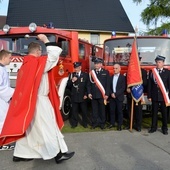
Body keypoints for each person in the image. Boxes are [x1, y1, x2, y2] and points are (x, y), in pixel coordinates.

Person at [0, 34, 74, 163]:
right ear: (38, 51)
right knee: (49, 127)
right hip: (39, 100)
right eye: (41, 50)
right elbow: (53, 57)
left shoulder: (25, 64)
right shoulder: (36, 63)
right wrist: (46, 40)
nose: (42, 53)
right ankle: (58, 154)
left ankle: (20, 154)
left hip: (31, 100)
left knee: (30, 128)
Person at [148, 55, 170, 135]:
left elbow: (169, 85)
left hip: (164, 96)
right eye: (157, 62)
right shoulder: (152, 72)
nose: (157, 64)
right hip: (154, 95)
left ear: (163, 63)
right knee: (154, 112)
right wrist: (149, 96)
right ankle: (153, 127)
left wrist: (168, 97)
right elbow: (150, 85)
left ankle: (165, 128)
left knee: (164, 113)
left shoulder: (167, 72)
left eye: (159, 62)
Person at [87, 57, 110, 129]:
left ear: (101, 64)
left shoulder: (105, 72)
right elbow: (89, 84)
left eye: (97, 64)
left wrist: (107, 94)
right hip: (93, 95)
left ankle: (102, 123)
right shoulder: (91, 73)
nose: (96, 65)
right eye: (95, 64)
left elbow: (108, 84)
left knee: (102, 110)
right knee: (94, 110)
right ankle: (95, 123)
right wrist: (89, 93)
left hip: (102, 95)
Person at [126, 56, 147, 131]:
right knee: (130, 111)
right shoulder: (129, 71)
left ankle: (138, 125)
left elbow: (145, 83)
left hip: (139, 93)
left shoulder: (143, 71)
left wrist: (137, 84)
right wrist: (128, 87)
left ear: (140, 62)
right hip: (130, 93)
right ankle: (130, 124)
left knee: (138, 111)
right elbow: (127, 81)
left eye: (138, 61)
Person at [0, 50, 15, 151]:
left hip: (3, 98)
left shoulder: (3, 68)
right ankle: (2, 144)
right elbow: (1, 87)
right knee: (2, 120)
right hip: (1, 99)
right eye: (9, 58)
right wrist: (13, 93)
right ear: (4, 57)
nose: (11, 60)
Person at [67, 62, 88, 128]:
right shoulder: (72, 75)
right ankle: (74, 124)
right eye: (75, 68)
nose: (76, 69)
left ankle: (85, 123)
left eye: (77, 68)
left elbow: (87, 86)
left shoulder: (85, 75)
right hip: (74, 96)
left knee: (84, 111)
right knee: (74, 111)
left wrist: (86, 94)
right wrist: (72, 80)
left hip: (82, 96)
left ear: (80, 67)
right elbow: (68, 85)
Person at [108, 64, 126, 131]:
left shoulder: (122, 77)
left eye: (116, 68)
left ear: (119, 69)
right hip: (112, 97)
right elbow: (109, 87)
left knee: (119, 111)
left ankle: (119, 125)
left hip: (119, 97)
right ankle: (112, 123)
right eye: (114, 68)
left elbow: (123, 88)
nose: (114, 70)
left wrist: (116, 94)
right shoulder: (111, 77)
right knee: (112, 111)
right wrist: (111, 93)